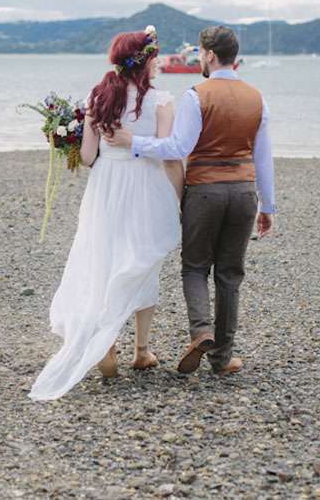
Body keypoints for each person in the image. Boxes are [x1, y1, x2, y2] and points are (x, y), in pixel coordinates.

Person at [106, 25, 275, 375]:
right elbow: (263, 158)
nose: (199, 57)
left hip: (205, 191)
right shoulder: (257, 98)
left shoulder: (197, 95)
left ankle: (201, 332)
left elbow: (178, 148)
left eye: (200, 52)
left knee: (196, 266)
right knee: (230, 274)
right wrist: (268, 205)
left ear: (210, 55)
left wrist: (132, 142)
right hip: (243, 192)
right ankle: (223, 358)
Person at [29, 26, 183, 401]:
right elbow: (165, 152)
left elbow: (85, 158)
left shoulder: (97, 97)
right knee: (142, 261)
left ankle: (106, 342)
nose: (159, 62)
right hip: (145, 185)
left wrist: (68, 140)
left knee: (104, 260)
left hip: (106, 186)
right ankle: (141, 351)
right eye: (155, 56)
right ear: (144, 62)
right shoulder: (161, 101)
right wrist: (180, 197)